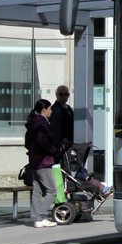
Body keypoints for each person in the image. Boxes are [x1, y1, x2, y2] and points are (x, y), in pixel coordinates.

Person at [25, 99, 59, 228]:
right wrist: (53, 150)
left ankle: (36, 218)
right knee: (52, 191)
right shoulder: (41, 122)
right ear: (44, 110)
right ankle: (41, 216)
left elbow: (27, 143)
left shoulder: (33, 122)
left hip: (34, 161)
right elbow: (42, 140)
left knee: (37, 191)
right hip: (43, 161)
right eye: (50, 109)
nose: (51, 111)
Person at [49, 85, 74, 155]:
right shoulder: (55, 110)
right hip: (62, 147)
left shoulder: (68, 108)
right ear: (56, 95)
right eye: (61, 94)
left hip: (69, 145)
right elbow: (55, 129)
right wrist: (58, 146)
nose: (64, 97)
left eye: (66, 94)